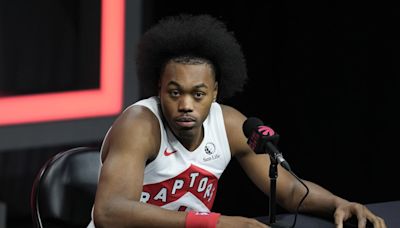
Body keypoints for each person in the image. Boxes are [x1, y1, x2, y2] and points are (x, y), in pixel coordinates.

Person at [87, 14, 386, 228]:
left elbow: (290, 191)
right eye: (175, 92)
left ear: (215, 92)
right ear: (159, 90)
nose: (186, 105)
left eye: (198, 94)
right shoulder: (140, 125)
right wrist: (213, 222)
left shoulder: (227, 125)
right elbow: (109, 213)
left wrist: (337, 204)